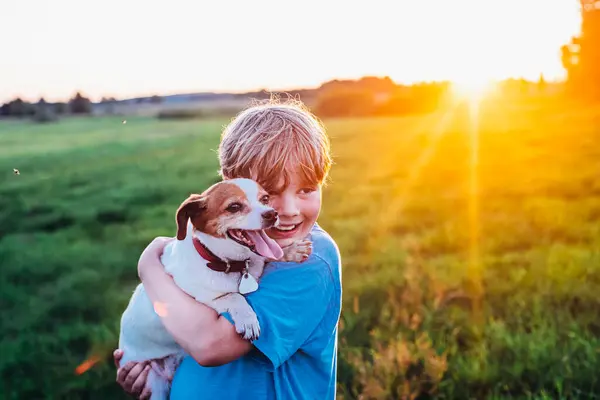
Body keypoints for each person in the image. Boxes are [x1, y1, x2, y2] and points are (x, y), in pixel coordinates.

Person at [113, 99, 342, 399]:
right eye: (268, 193)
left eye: (306, 189)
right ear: (234, 185)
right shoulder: (230, 242)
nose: (287, 210)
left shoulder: (311, 260)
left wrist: (149, 268)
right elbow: (179, 325)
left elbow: (210, 345)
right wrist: (151, 372)